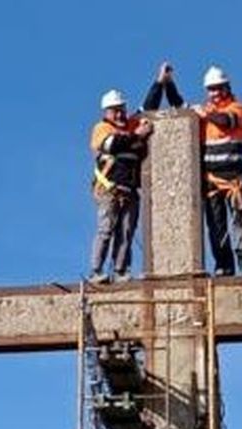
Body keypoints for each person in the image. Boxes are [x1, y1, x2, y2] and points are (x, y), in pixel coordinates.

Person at [193, 65, 242, 276]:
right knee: (217, 227)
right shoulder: (204, 116)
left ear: (227, 87)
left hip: (232, 180)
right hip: (211, 180)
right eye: (211, 89)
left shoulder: (237, 108)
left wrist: (206, 114)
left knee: (240, 224)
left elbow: (227, 122)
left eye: (219, 88)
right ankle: (224, 265)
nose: (215, 93)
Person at [86, 89, 153, 284]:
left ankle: (121, 270)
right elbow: (112, 144)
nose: (119, 114)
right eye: (114, 110)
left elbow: (146, 108)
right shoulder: (102, 129)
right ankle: (96, 270)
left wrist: (160, 82)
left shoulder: (130, 125)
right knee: (106, 230)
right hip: (109, 189)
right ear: (106, 112)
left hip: (130, 191)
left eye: (121, 109)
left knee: (126, 232)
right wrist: (137, 136)